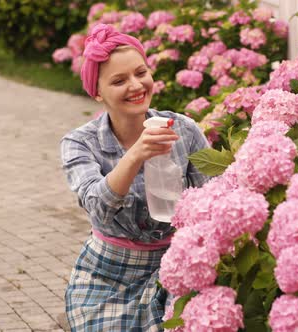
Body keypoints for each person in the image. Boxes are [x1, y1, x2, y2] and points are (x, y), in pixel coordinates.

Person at [60, 23, 210, 332]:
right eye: (119, 80)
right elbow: (97, 207)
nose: (136, 85)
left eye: (141, 73)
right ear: (97, 93)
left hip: (177, 265)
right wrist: (135, 155)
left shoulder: (183, 130)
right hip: (108, 274)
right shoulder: (79, 143)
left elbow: (213, 199)